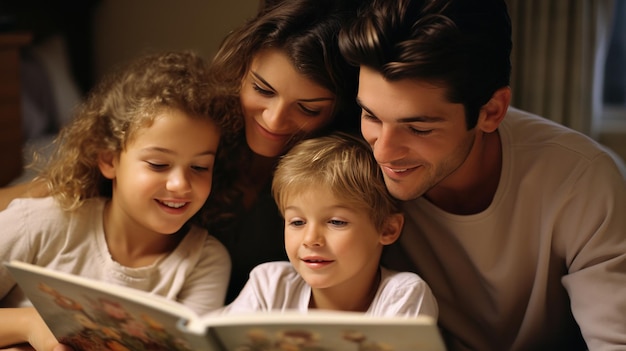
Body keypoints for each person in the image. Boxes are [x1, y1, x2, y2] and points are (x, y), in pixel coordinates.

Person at [338, 0, 626, 350]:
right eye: (371, 116)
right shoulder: (348, 166)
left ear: (492, 111)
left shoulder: (583, 179)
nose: (382, 152)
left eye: (418, 128)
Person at [0, 51, 232, 351]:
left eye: (199, 167)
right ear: (109, 160)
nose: (180, 184)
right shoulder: (41, 223)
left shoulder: (203, 261)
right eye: (158, 164)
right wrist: (30, 324)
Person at [220, 132, 438, 318]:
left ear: (387, 229)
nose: (310, 239)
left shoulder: (403, 295)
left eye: (336, 222)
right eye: (297, 222)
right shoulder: (269, 285)